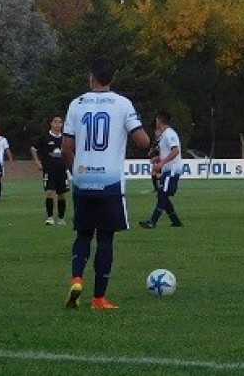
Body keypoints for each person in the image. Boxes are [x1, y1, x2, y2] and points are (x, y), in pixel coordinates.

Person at [62, 56, 151, 310]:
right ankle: (99, 298)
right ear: (112, 78)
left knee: (82, 234)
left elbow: (66, 147)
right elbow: (143, 141)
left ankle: (77, 278)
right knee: (105, 239)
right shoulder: (122, 104)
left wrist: (74, 174)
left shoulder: (76, 103)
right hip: (109, 182)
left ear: (91, 76)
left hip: (82, 179)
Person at [139, 110, 184, 229]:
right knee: (162, 194)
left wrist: (162, 162)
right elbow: (169, 152)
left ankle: (152, 221)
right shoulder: (165, 134)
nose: (156, 121)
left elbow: (176, 150)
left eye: (157, 119)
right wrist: (158, 159)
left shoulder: (169, 134)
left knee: (162, 194)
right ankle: (176, 221)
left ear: (160, 120)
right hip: (168, 169)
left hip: (172, 169)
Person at [30, 115, 69, 225]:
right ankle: (50, 218)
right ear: (51, 123)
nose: (57, 125)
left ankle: (61, 218)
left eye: (60, 122)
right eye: (55, 122)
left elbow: (70, 152)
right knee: (49, 192)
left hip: (62, 170)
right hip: (49, 170)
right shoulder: (44, 137)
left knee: (61, 194)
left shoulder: (64, 138)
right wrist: (37, 162)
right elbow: (33, 149)